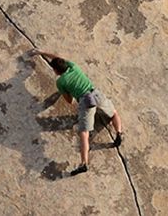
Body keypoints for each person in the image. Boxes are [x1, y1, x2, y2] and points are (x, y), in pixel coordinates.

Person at [28, 48, 123, 176]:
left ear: (56, 71)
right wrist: (42, 52)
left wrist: (65, 91)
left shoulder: (61, 81)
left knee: (84, 133)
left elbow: (69, 100)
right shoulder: (73, 66)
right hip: (95, 93)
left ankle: (84, 163)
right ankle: (118, 133)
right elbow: (57, 56)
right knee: (113, 113)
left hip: (85, 101)